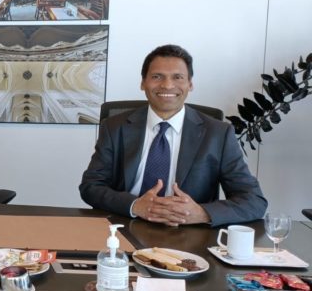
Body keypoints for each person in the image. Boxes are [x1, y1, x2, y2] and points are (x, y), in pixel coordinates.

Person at [80, 45, 266, 227]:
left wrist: (202, 213)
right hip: (125, 226)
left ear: (190, 84)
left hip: (189, 232)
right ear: (143, 83)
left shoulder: (218, 134)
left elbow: (254, 201)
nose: (167, 85)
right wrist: (134, 205)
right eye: (157, 76)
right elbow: (91, 186)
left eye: (178, 77)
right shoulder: (115, 127)